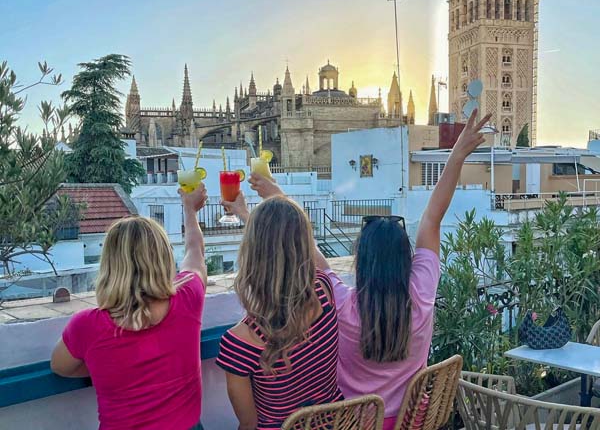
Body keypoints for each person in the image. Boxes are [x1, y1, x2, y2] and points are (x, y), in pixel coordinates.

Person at [247, 109, 492, 430]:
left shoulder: (344, 303)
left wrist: (277, 195)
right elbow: (433, 216)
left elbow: (307, 245)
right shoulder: (422, 292)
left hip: (354, 424)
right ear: (406, 257)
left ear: (361, 261)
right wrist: (457, 154)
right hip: (411, 421)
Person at [51, 185, 209, 430]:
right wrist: (190, 210)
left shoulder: (87, 325)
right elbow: (195, 251)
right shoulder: (188, 298)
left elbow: (60, 367)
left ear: (110, 264)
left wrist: (104, 367)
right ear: (163, 258)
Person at [215, 195, 343, 430]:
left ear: (252, 252)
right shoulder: (324, 289)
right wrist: (247, 214)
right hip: (337, 423)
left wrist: (250, 219)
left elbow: (248, 423)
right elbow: (292, 248)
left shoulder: (239, 342)